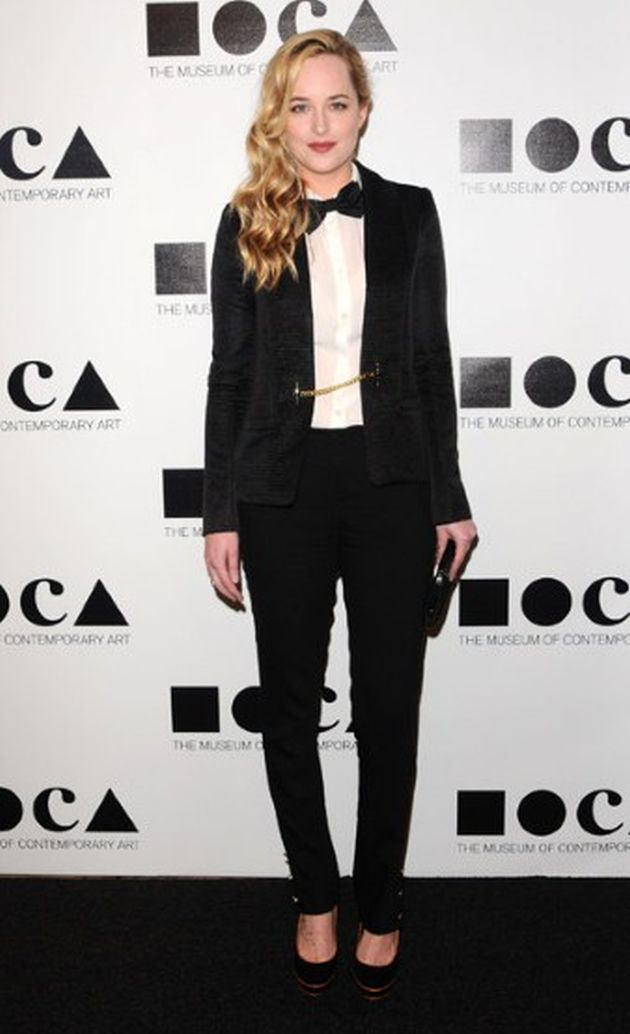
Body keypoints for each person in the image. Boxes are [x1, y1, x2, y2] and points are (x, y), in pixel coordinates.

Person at [203, 28, 477, 999]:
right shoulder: (246, 219)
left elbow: (432, 360)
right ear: (277, 118)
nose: (320, 124)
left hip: (390, 479)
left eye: (337, 103)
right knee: (288, 704)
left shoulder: (409, 212)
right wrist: (219, 510)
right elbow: (229, 373)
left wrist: (450, 497)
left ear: (365, 110)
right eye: (300, 106)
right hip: (280, 485)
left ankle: (382, 903)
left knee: (388, 707)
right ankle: (315, 897)